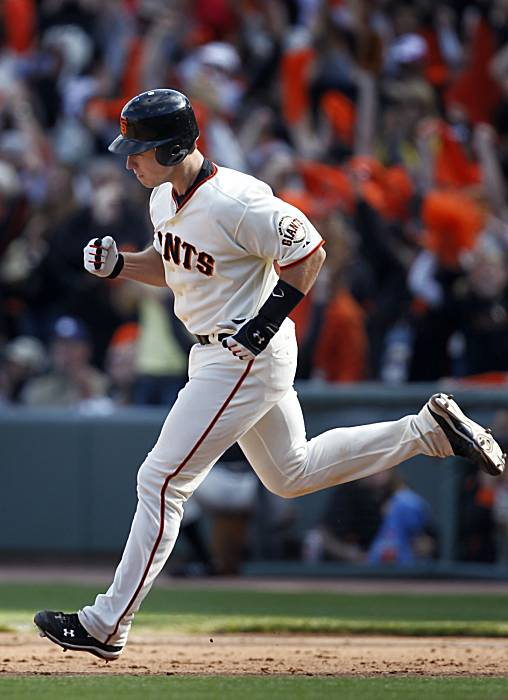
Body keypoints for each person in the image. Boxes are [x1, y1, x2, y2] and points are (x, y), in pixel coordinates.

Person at [34, 88, 505, 661]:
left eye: (139, 148)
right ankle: (426, 432)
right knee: (290, 471)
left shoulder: (237, 199)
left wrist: (261, 324)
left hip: (242, 351)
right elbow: (176, 265)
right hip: (221, 349)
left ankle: (107, 623)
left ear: (177, 146)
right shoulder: (164, 197)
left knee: (161, 480)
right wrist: (122, 266)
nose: (128, 158)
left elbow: (308, 251)